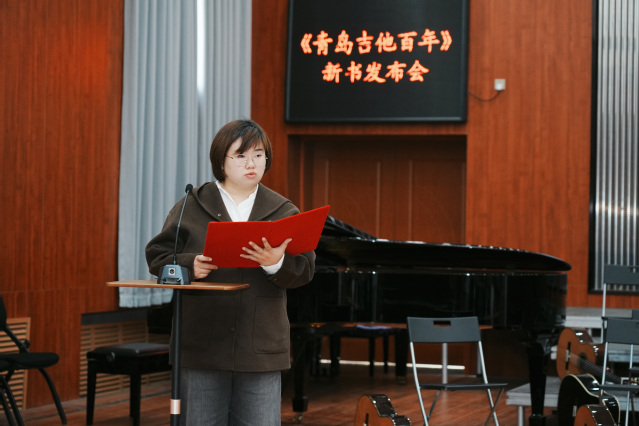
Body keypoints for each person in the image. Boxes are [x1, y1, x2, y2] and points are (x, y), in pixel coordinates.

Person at [145, 119, 316, 425]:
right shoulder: (192, 205)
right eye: (241, 156)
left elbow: (304, 270)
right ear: (221, 161)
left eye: (259, 155)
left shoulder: (283, 210)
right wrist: (189, 264)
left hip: (260, 346)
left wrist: (275, 263)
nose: (252, 163)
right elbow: (158, 256)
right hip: (202, 345)